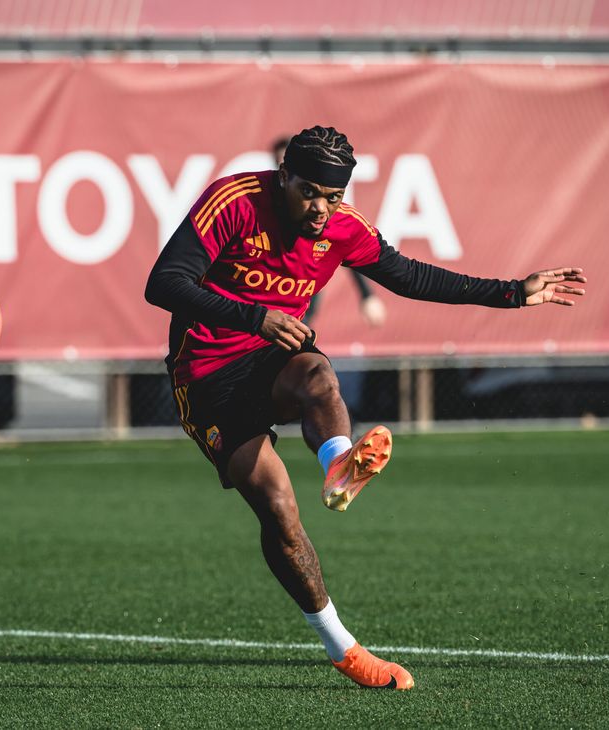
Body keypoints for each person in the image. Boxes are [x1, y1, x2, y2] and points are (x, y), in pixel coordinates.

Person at [145, 125, 586, 690]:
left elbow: (411, 276)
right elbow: (164, 282)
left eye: (333, 196)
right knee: (277, 505)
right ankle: (343, 648)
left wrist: (511, 292)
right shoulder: (234, 201)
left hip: (273, 360)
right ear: (284, 176)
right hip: (207, 377)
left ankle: (339, 465)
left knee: (318, 373)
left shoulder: (343, 227)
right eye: (309, 192)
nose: (321, 208)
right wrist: (255, 317)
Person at [271, 135, 387, 329]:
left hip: (302, 296)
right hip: (268, 298)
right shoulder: (263, 204)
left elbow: (345, 245)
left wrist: (367, 295)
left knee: (299, 340)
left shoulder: (321, 210)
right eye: (279, 161)